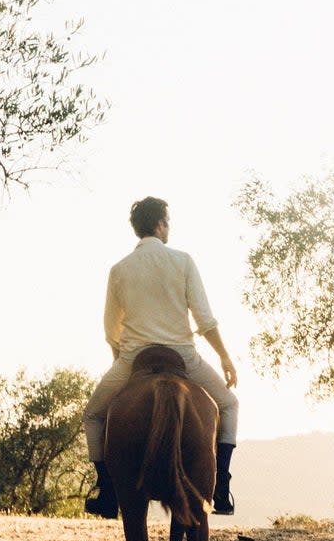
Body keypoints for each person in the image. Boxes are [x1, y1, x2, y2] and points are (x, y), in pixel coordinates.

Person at [83, 196, 239, 518]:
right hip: (183, 356)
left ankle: (106, 489)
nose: (169, 227)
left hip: (133, 357)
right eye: (167, 221)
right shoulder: (183, 261)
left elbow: (111, 330)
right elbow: (205, 320)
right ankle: (221, 487)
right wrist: (224, 357)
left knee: (93, 416)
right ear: (159, 224)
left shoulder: (119, 269)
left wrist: (121, 363)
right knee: (229, 405)